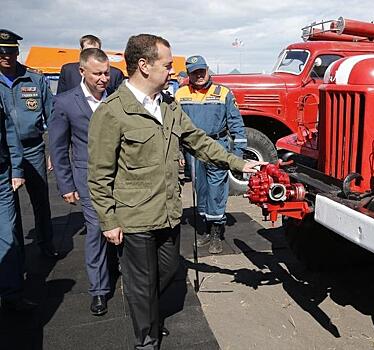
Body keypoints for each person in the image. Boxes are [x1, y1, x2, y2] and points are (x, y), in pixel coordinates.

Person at [87, 33, 263, 350]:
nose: (172, 71)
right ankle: (146, 340)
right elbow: (99, 174)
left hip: (168, 211)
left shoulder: (167, 105)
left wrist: (238, 162)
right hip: (135, 215)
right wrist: (108, 221)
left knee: (167, 270)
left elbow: (198, 140)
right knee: (142, 285)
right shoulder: (112, 112)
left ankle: (150, 317)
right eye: (167, 65)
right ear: (143, 65)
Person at [49, 48, 113, 316]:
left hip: (120, 178)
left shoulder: (119, 99)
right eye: (97, 73)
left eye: (107, 73)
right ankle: (99, 290)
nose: (103, 78)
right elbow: (58, 147)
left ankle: (128, 277)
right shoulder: (65, 102)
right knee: (97, 229)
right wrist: (66, 186)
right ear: (82, 72)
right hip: (86, 178)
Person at [175, 55, 247, 254]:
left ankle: (216, 233)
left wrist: (237, 152)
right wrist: (178, 150)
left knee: (217, 189)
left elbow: (236, 123)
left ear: (207, 70)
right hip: (193, 150)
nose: (199, 75)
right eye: (194, 72)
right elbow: (175, 126)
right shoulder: (180, 94)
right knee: (201, 190)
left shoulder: (223, 93)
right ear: (188, 74)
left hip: (218, 147)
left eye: (202, 71)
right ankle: (205, 230)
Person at [0, 29, 59, 259]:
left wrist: (54, 149)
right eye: (2, 52)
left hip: (33, 148)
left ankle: (46, 243)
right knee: (8, 206)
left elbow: (52, 117)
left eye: (10, 52)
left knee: (40, 200)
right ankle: (14, 251)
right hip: (4, 153)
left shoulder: (34, 79)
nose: (6, 57)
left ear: (17, 52)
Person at [0, 100, 36, 312]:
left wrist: (16, 169)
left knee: (7, 235)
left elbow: (9, 132)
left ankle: (11, 293)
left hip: (2, 175)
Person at [57, 34, 124, 95]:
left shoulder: (115, 74)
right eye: (87, 51)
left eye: (94, 51)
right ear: (81, 51)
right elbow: (60, 97)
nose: (91, 55)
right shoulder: (68, 71)